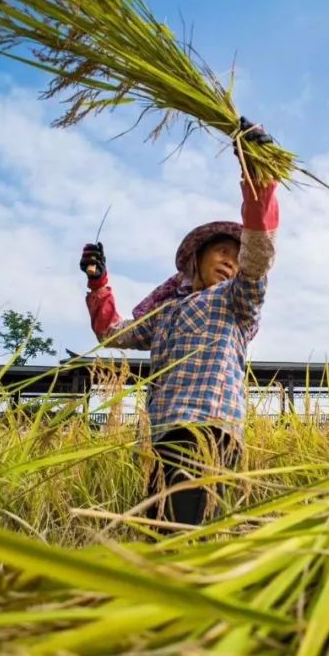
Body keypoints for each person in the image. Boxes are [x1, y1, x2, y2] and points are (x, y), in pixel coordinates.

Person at [79, 118, 278, 527]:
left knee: (197, 535)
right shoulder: (165, 312)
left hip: (210, 435)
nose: (231, 260)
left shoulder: (235, 299)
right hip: (162, 439)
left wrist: (258, 178)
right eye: (221, 252)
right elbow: (111, 332)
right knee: (162, 534)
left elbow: (258, 259)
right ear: (195, 261)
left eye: (235, 256)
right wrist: (98, 279)